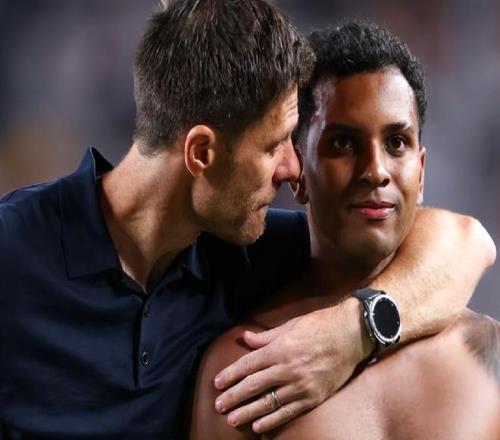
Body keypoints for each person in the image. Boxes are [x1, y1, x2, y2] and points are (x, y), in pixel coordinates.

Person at [0, 1, 494, 437]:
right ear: (201, 152)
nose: (292, 168)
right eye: (274, 145)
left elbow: (466, 243)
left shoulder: (243, 251)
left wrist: (350, 332)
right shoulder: (13, 250)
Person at [190, 21, 499, 439]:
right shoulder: (244, 370)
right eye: (343, 143)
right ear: (298, 172)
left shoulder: (487, 348)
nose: (375, 170)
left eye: (396, 143)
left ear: (421, 172)